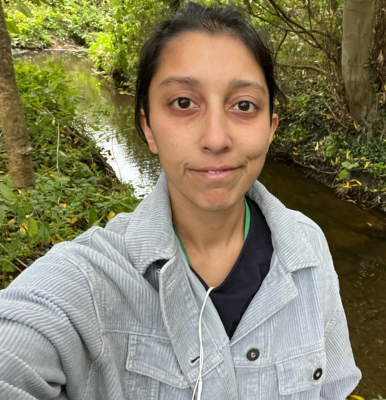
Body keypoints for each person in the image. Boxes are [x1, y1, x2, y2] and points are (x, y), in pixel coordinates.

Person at [0, 3, 361, 399]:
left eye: (244, 105)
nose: (216, 138)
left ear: (270, 128)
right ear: (148, 127)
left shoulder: (308, 246)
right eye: (184, 103)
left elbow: (335, 389)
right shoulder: (88, 281)